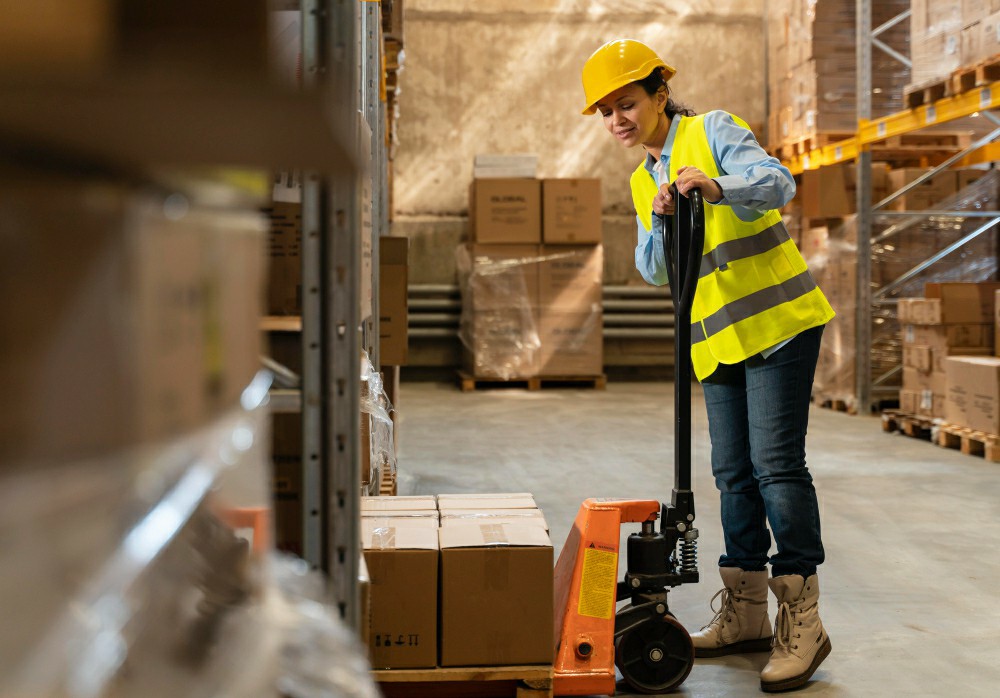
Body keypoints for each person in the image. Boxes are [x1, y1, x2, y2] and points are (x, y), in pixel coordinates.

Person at [580, 39, 836, 693]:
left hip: (777, 327)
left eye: (626, 103)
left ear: (659, 95)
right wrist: (658, 218)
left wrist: (717, 187)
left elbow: (778, 184)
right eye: (606, 111)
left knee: (776, 467)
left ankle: (803, 619)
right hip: (717, 342)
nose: (617, 120)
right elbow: (651, 269)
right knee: (732, 474)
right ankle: (746, 614)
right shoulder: (643, 179)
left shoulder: (713, 131)